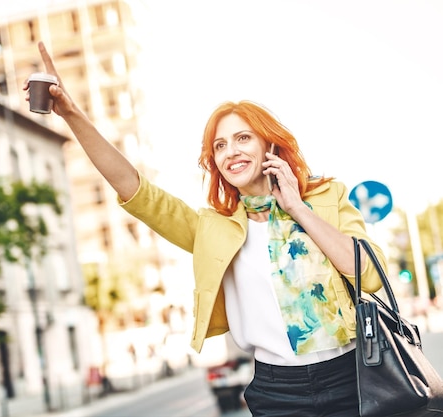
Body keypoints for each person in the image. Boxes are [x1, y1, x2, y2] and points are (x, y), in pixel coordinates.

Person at [25, 41, 386, 416]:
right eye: (220, 146)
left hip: (353, 377)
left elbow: (370, 276)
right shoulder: (213, 229)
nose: (231, 151)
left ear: (269, 146)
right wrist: (71, 114)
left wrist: (297, 208)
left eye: (243, 138)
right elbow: (134, 188)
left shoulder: (327, 197)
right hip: (279, 392)